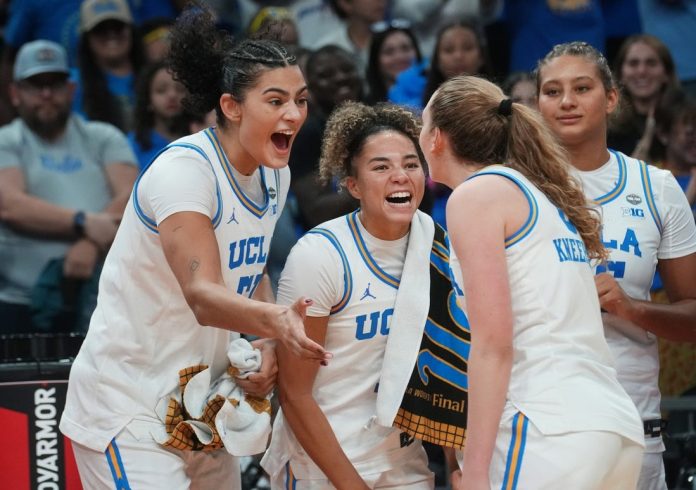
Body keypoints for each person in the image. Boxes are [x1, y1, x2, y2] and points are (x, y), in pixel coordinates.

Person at [59, 5, 330, 489]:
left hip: (200, 405)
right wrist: (277, 322)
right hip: (129, 405)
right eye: (275, 100)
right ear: (231, 106)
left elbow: (251, 271)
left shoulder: (275, 174)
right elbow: (203, 296)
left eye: (300, 100)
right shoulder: (184, 172)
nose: (294, 114)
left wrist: (267, 343)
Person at [419, 74, 645, 489]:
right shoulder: (538, 195)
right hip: (612, 427)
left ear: (436, 138)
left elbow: (494, 344)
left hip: (545, 425)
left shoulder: (477, 195)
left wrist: (476, 470)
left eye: (422, 123)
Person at [536, 41, 696, 489]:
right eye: (552, 91)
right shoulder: (511, 188)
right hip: (541, 430)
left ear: (610, 98)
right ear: (537, 105)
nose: (566, 101)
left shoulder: (656, 187)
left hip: (634, 423)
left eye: (581, 88)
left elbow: (692, 315)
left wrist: (633, 309)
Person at [262, 101, 436, 489]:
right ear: (353, 185)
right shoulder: (320, 256)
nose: (400, 176)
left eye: (411, 164)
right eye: (381, 167)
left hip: (405, 459)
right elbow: (294, 394)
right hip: (321, 462)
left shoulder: (437, 245)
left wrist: (460, 464)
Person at [0, 40, 138, 334]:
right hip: (19, 304)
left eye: (55, 83)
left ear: (71, 89)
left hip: (100, 301)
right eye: (35, 85)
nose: (46, 94)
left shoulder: (103, 137)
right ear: (15, 94)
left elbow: (133, 198)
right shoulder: (6, 141)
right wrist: (83, 223)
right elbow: (10, 206)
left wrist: (89, 244)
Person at [72, 0, 145, 132]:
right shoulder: (74, 84)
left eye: (118, 27)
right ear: (86, 38)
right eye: (100, 29)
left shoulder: (155, 77)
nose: (111, 34)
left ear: (131, 31)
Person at [609, 35, 680, 161]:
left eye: (651, 63)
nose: (641, 71)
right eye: (633, 64)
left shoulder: (687, 120)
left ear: (666, 73)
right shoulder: (607, 128)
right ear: (621, 75)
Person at [127, 61, 188, 170]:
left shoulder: (201, 137)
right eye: (161, 90)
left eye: (180, 89)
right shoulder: (132, 144)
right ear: (147, 99)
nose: (172, 95)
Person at [364, 20, 422, 105]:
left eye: (405, 48)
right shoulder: (367, 107)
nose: (400, 57)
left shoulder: (435, 95)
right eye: (389, 52)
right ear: (375, 60)